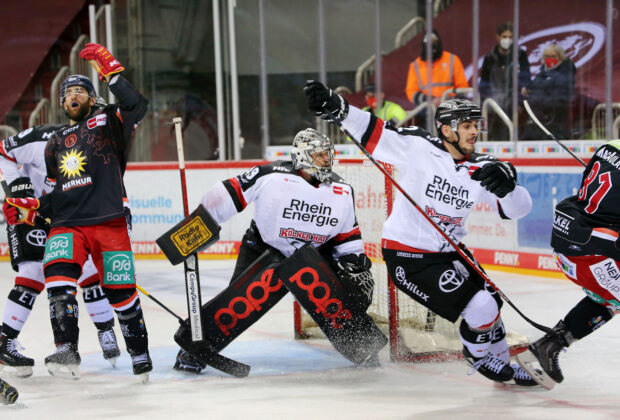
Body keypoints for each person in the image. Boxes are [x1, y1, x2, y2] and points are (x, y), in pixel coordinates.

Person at [304, 80, 541, 387]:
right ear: (446, 129)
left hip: (450, 251)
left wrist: (510, 188)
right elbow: (376, 132)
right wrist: (338, 106)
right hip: (408, 255)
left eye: (475, 125)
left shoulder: (482, 167)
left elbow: (518, 210)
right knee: (480, 306)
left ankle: (501, 358)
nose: (474, 131)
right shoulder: (418, 148)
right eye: (466, 125)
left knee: (492, 302)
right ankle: (479, 355)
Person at [173, 127, 378, 373]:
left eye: (328, 154)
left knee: (336, 298)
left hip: (312, 257)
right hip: (263, 248)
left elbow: (347, 235)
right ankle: (193, 351)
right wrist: (197, 225)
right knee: (238, 303)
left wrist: (354, 263)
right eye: (319, 154)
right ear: (302, 155)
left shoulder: (342, 190)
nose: (327, 159)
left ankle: (363, 346)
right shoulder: (270, 174)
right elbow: (228, 193)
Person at [3, 43, 151, 380]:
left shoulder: (108, 121)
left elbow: (136, 106)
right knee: (57, 279)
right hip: (67, 225)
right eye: (67, 92)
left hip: (108, 221)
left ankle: (139, 351)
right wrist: (31, 209)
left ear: (91, 97)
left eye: (80, 91)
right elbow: (60, 194)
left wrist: (112, 72)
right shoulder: (55, 141)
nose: (72, 95)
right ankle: (67, 348)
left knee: (121, 293)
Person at [0, 125, 121, 378]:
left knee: (88, 269)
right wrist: (17, 188)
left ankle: (105, 329)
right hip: (30, 211)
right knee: (33, 272)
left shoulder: (98, 150)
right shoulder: (39, 138)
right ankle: (4, 340)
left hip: (66, 214)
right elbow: (3, 152)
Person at [524, 140, 620, 385]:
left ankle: (550, 345)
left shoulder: (609, 147)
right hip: (595, 256)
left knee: (609, 300)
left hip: (569, 245)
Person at [479, 22, 531, 140]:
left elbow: (526, 77)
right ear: (497, 37)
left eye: (510, 37)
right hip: (494, 102)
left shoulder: (520, 55)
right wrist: (489, 99)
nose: (507, 40)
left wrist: (523, 90)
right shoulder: (490, 57)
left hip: (514, 101)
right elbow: (484, 82)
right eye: (504, 37)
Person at [522, 43, 576, 140]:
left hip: (553, 123)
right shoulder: (542, 74)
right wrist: (528, 90)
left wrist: (536, 99)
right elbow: (534, 88)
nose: (549, 59)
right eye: (546, 56)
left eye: (553, 56)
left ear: (560, 57)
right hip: (536, 123)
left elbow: (561, 99)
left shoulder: (566, 75)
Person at [405, 30, 468, 110]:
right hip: (427, 109)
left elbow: (463, 88)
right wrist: (431, 100)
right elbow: (411, 92)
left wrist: (446, 101)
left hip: (451, 108)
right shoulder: (415, 65)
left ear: (439, 43)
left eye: (434, 42)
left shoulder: (452, 60)